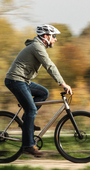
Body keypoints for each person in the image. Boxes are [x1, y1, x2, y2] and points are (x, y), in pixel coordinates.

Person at [5, 24, 73, 157]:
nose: (55, 39)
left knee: (43, 93)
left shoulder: (38, 46)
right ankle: (28, 145)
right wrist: (62, 83)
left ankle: (26, 121)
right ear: (46, 36)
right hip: (16, 80)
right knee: (32, 110)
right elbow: (49, 66)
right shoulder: (37, 47)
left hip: (23, 80)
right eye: (54, 36)